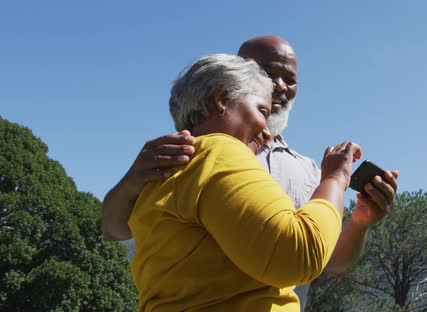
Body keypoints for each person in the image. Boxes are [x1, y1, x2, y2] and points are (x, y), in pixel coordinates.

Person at [101, 35, 399, 309]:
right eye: (262, 107)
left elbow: (327, 259)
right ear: (222, 95)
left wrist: (359, 222)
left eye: (290, 79)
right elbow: (300, 255)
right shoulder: (194, 154)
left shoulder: (303, 169)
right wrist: (336, 179)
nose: (279, 86)